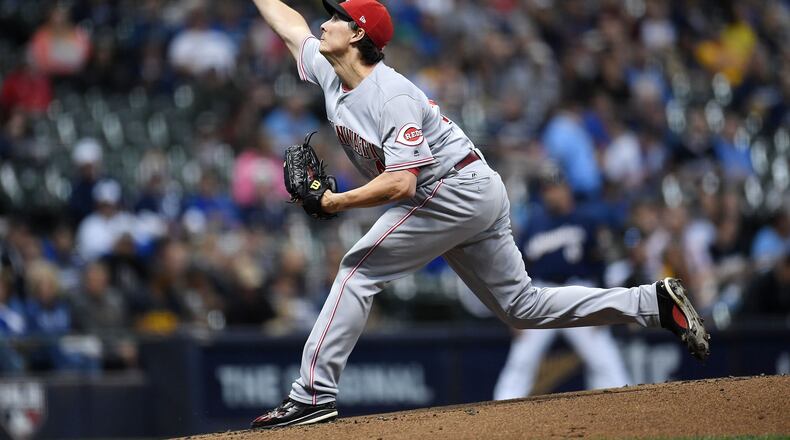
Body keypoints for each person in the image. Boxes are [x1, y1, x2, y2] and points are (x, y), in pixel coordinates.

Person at [248, 0, 710, 429]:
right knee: (522, 307)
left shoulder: (392, 96)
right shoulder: (332, 74)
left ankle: (311, 395)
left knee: (356, 270)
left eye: (336, 17)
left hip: (455, 189)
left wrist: (335, 201)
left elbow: (402, 183)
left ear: (357, 35)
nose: (323, 23)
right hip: (470, 189)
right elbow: (290, 26)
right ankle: (654, 303)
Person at [493, 167, 629, 400]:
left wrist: (604, 305)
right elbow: (519, 269)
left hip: (579, 291)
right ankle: (503, 406)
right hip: (541, 292)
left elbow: (600, 267)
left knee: (602, 357)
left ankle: (622, 403)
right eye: (547, 189)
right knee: (523, 357)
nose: (551, 194)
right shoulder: (535, 225)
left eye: (555, 188)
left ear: (567, 189)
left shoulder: (586, 222)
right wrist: (514, 313)